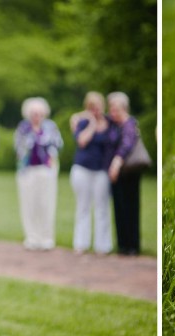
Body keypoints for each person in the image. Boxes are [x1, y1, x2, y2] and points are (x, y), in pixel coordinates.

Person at [14, 97, 63, 250]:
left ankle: (46, 238)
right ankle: (32, 237)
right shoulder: (23, 128)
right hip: (28, 170)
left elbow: (58, 144)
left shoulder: (50, 127)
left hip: (46, 169)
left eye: (39, 113)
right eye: (33, 113)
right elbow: (18, 148)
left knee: (46, 203)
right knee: (29, 204)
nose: (36, 116)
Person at [70, 92, 113, 254]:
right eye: (91, 108)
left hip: (101, 170)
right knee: (83, 206)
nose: (95, 110)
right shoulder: (82, 123)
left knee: (102, 207)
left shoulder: (109, 122)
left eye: (98, 107)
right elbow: (82, 141)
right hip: (82, 169)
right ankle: (81, 243)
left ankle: (103, 245)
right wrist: (92, 123)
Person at [106, 91, 143, 256]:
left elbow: (126, 145)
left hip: (128, 171)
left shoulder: (129, 124)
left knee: (130, 207)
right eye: (111, 108)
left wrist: (115, 164)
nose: (112, 112)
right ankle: (122, 244)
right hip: (116, 174)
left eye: (115, 108)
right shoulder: (113, 124)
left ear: (123, 107)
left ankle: (132, 245)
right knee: (119, 208)